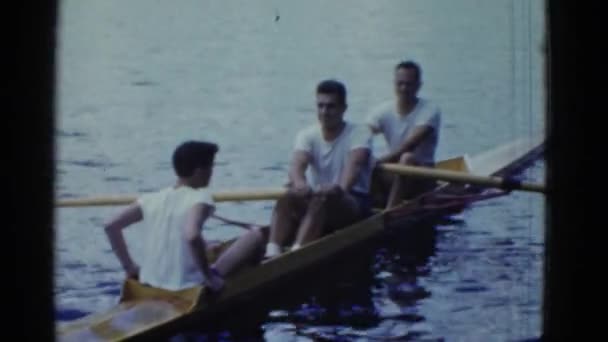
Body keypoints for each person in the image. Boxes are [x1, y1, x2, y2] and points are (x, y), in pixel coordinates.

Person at [103, 141, 266, 292]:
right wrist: (209, 278)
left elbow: (111, 225)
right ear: (199, 171)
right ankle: (250, 276)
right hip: (187, 287)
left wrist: (130, 268)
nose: (212, 173)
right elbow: (192, 235)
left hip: (149, 281)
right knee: (257, 235)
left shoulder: (151, 198)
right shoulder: (200, 199)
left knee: (209, 245)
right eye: (211, 167)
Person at [264, 79, 374, 258]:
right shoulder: (307, 135)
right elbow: (297, 165)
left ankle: (296, 253)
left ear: (343, 108)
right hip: (319, 199)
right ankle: (272, 251)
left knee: (324, 196)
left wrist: (339, 190)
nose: (324, 112)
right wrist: (300, 184)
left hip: (353, 201)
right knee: (288, 193)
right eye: (320, 106)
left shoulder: (360, 132)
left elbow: (355, 165)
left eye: (331, 106)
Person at [365, 60, 442, 208]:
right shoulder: (383, 110)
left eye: (409, 84)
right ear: (394, 84)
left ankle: (391, 211)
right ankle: (372, 205)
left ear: (419, 86)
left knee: (406, 158)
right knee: (362, 156)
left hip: (423, 178)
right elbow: (360, 136)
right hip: (395, 174)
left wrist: (378, 162)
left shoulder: (430, 111)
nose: (404, 88)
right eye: (400, 83)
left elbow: (408, 146)